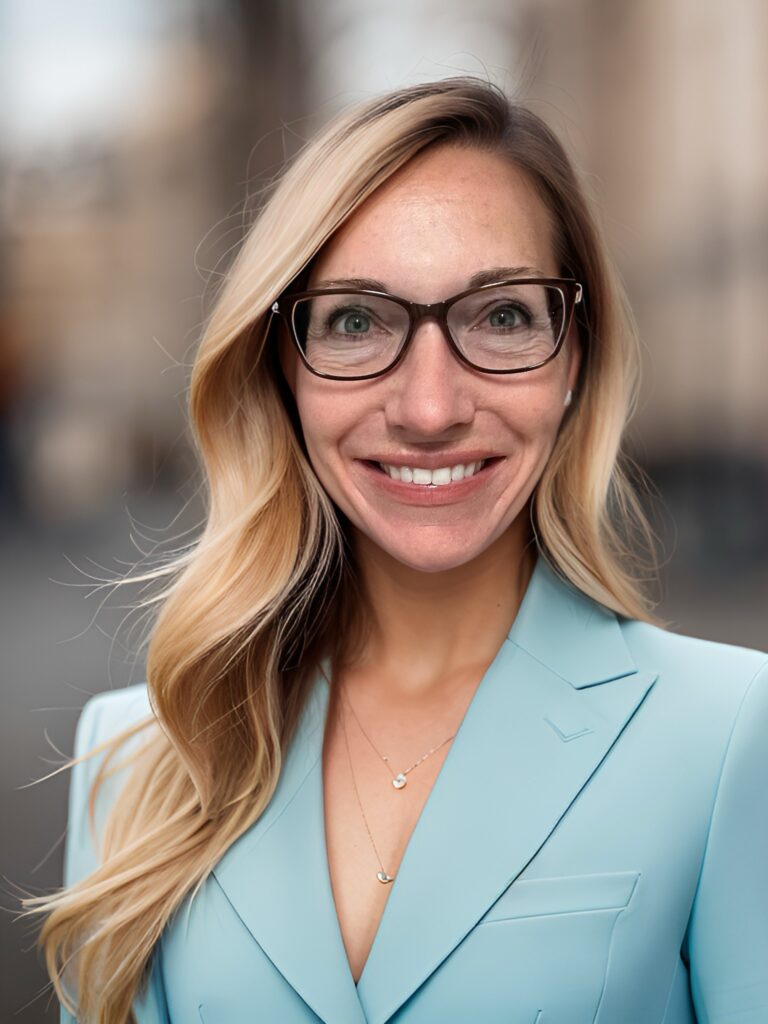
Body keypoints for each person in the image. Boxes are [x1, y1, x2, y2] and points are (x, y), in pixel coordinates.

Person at [21, 77, 768, 1024]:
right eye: (356, 321)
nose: (429, 409)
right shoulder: (135, 760)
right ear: (281, 367)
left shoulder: (732, 735)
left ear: (574, 356)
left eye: (501, 317)